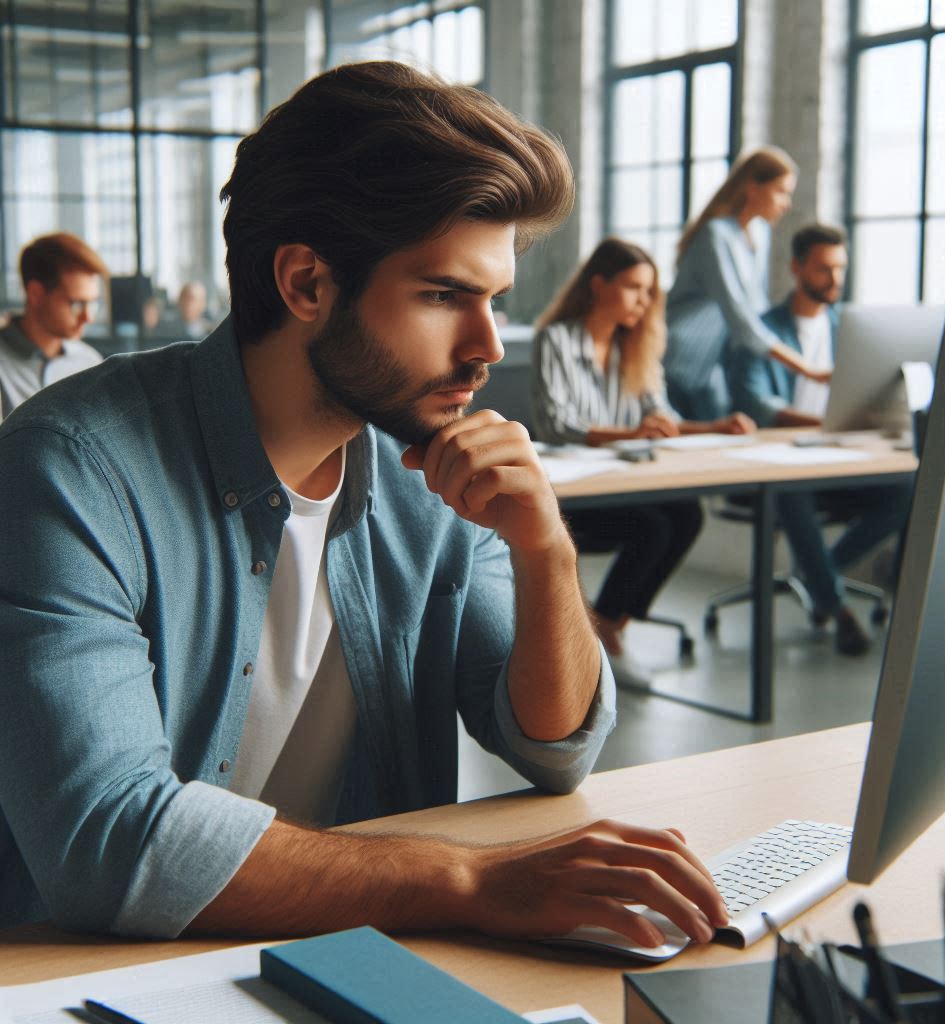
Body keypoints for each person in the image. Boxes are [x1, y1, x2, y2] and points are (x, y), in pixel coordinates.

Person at [0, 62, 728, 949]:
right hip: (104, 978)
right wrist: (467, 880)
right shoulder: (71, 470)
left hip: (358, 953)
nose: (489, 345)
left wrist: (549, 555)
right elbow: (110, 844)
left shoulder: (435, 474)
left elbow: (553, 746)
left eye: (494, 301)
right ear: (307, 283)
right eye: (442, 296)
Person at [531, 237, 754, 656]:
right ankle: (605, 634)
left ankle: (609, 625)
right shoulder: (556, 339)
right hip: (574, 491)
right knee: (652, 527)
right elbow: (557, 424)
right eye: (635, 287)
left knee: (686, 515)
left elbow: (660, 419)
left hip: (625, 482)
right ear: (599, 286)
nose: (645, 300)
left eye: (650, 291)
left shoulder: (637, 347)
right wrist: (631, 435)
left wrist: (715, 426)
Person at [727, 223, 913, 655]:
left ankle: (818, 576)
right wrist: (817, 422)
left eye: (841, 269)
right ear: (797, 268)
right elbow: (754, 402)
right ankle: (836, 607)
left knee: (907, 490)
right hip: (774, 459)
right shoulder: (760, 330)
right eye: (824, 269)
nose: (834, 280)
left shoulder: (854, 328)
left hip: (838, 458)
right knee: (791, 493)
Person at [663, 146, 832, 422]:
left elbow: (757, 307)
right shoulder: (714, 235)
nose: (787, 203)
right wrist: (808, 370)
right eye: (781, 191)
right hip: (682, 361)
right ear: (752, 188)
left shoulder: (760, 232)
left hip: (718, 362)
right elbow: (740, 316)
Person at [0, 232, 106, 419]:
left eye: (93, 303)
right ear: (36, 294)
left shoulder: (90, 362)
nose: (88, 317)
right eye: (76, 304)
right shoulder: (4, 366)